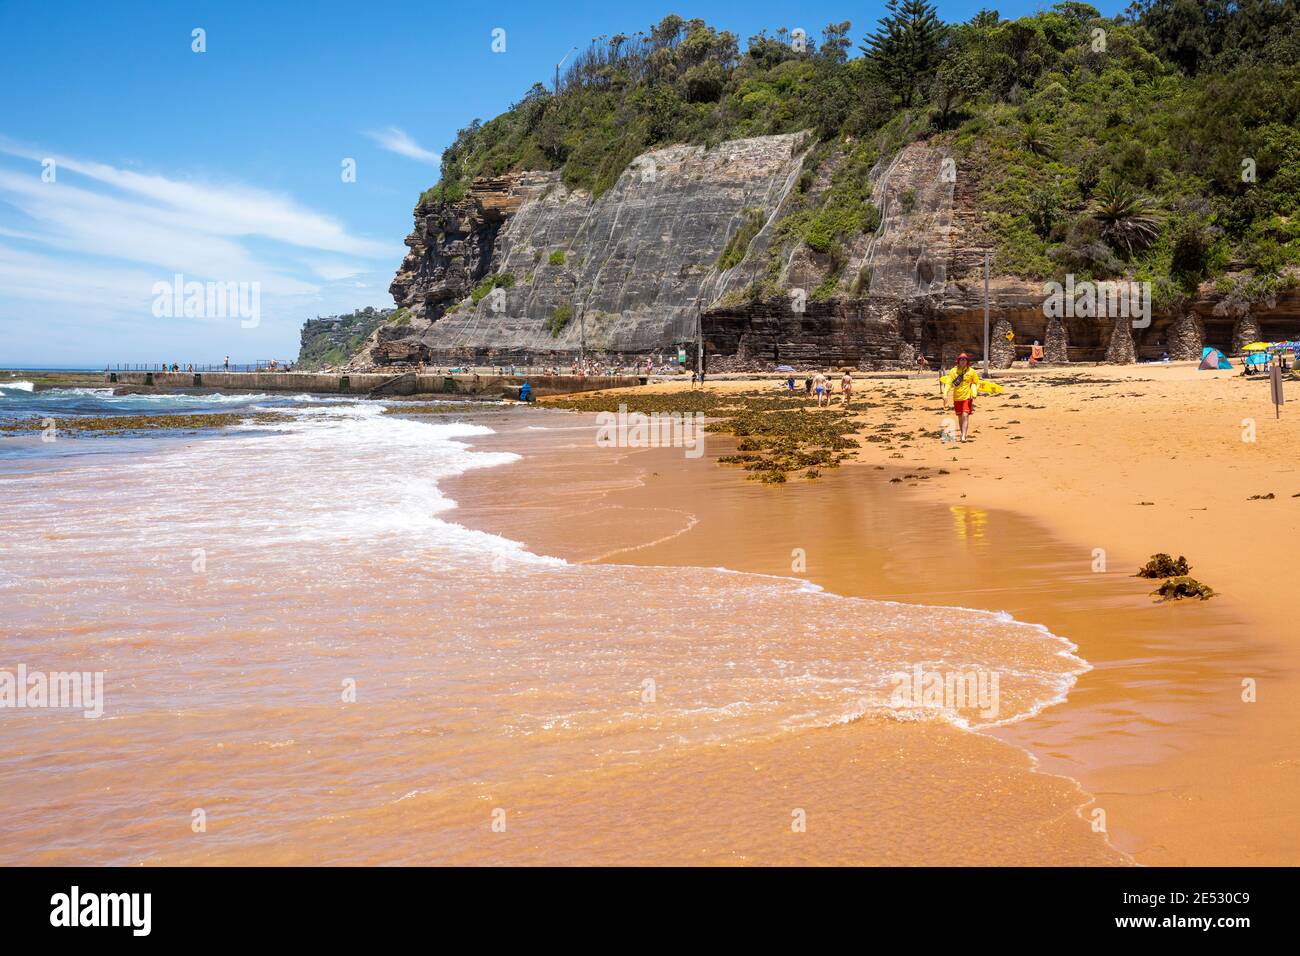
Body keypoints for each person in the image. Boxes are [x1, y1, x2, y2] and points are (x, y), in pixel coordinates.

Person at [939, 353, 1002, 443]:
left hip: (967, 397)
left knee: (965, 415)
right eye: (961, 360)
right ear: (958, 361)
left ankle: (964, 436)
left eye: (964, 360)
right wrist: (945, 394)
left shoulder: (971, 371)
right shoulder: (953, 371)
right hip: (957, 397)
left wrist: (974, 392)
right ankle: (962, 433)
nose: (963, 361)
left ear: (967, 361)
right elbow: (949, 383)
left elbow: (976, 382)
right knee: (960, 417)